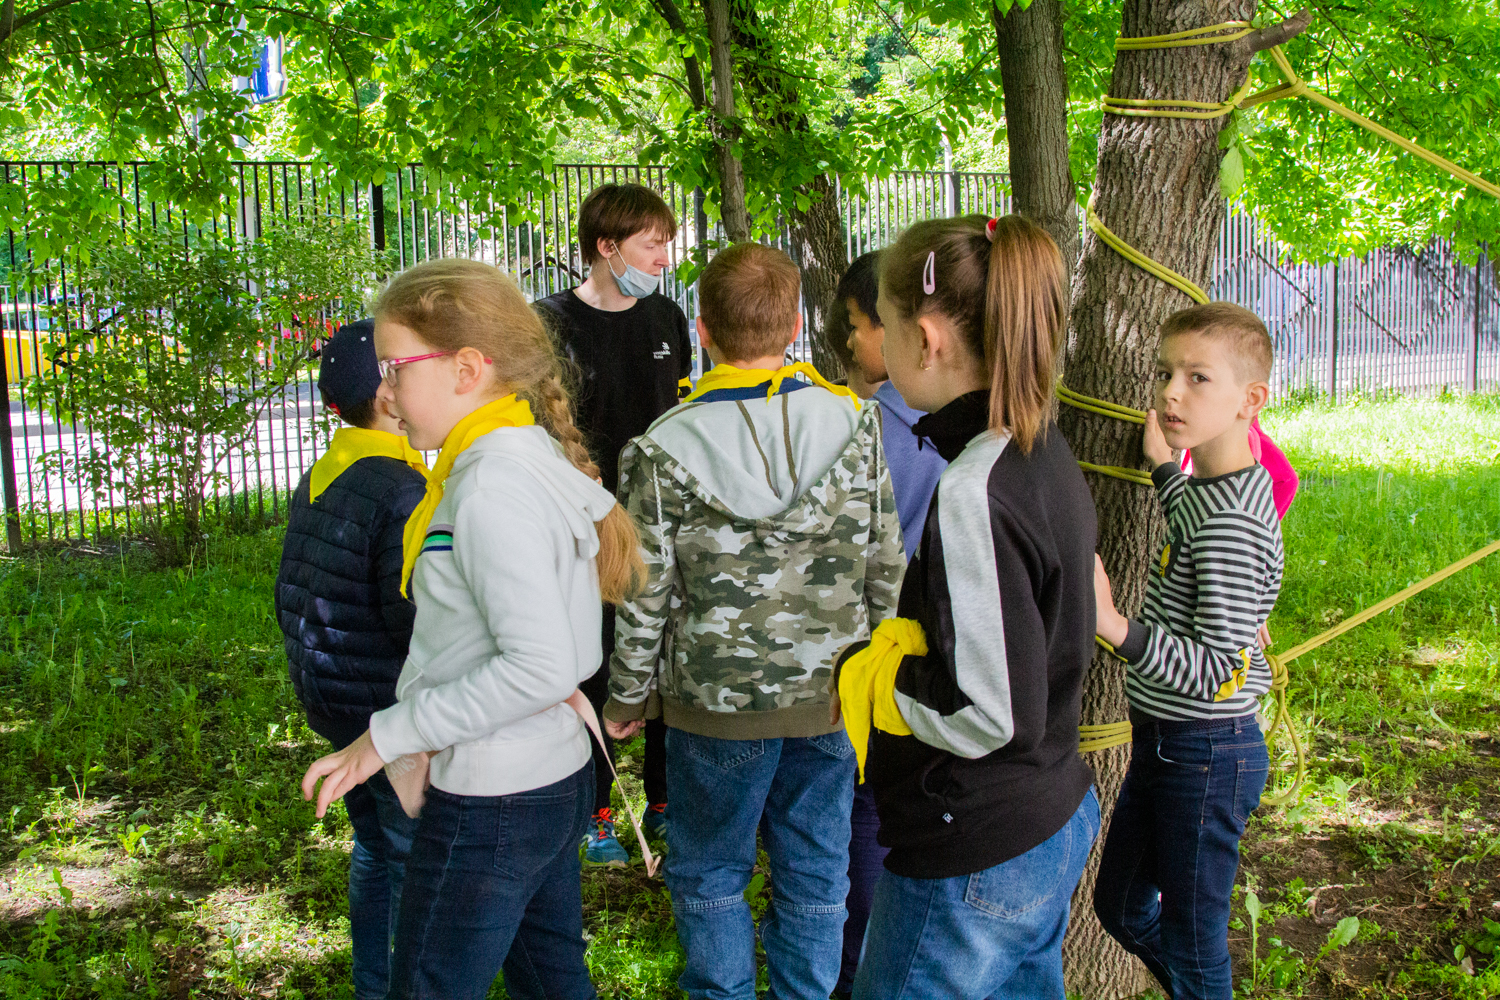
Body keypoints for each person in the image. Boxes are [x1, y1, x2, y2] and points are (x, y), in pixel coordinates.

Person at [300, 258, 646, 1000]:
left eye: (395, 368)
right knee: (552, 980)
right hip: (543, 779)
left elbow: (540, 666)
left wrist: (387, 736)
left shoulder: (491, 483)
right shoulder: (513, 456)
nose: (385, 391)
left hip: (495, 796)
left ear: (466, 369)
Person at [603, 242, 906, 1000]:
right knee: (816, 873)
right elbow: (885, 564)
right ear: (796, 324)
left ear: (701, 329)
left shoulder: (661, 447)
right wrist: (886, 679)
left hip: (714, 706)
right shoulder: (855, 424)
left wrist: (627, 695)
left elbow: (643, 592)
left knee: (709, 871)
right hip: (830, 697)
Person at [835, 215, 1099, 1000]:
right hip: (1045, 817)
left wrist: (873, 677)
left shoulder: (975, 486)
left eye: (885, 328)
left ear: (926, 339)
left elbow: (990, 711)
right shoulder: (1036, 444)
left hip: (974, 853)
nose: (880, 348)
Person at [1091, 301, 1286, 1000]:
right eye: (1164, 372)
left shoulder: (1231, 518)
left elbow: (1217, 671)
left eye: (1198, 378)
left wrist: (1114, 626)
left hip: (1205, 752)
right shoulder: (1216, 484)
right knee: (1120, 908)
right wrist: (1163, 474)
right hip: (1170, 745)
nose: (1170, 393)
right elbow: (1197, 524)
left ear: (1251, 400)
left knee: (1195, 947)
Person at [537, 182, 691, 865]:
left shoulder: (668, 318)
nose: (664, 258)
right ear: (607, 246)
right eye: (652, 244)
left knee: (664, 658)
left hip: (663, 522)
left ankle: (663, 803)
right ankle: (595, 813)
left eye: (667, 244)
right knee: (594, 661)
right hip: (586, 524)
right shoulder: (550, 324)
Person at [275, 318, 428, 1000]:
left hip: (334, 698)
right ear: (390, 393)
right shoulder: (402, 490)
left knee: (374, 843)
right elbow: (414, 619)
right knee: (411, 857)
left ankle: (374, 984)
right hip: (383, 711)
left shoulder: (325, 471)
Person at [826, 250, 948, 1000]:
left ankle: (852, 973)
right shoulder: (969, 422)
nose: (850, 343)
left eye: (856, 326)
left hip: (879, 656)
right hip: (939, 663)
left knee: (862, 819)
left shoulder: (870, 429)